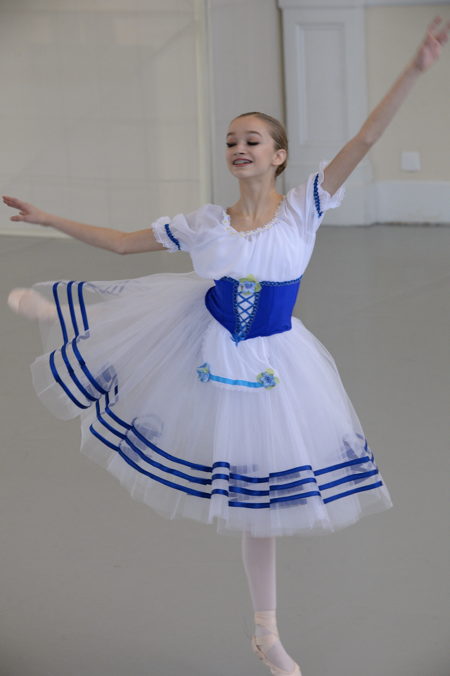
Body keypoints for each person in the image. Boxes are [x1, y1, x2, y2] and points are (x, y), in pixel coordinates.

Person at [3, 16, 449, 676]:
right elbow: (123, 244)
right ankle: (66, 317)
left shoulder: (304, 208)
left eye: (253, 140)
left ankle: (266, 634)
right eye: (232, 140)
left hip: (275, 363)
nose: (239, 147)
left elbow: (365, 138)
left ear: (279, 156)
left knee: (260, 506)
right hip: (203, 344)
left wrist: (414, 70)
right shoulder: (206, 224)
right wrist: (48, 219)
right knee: (143, 345)